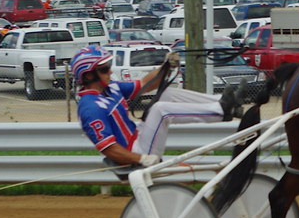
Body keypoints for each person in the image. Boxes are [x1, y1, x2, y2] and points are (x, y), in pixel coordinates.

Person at [71, 45, 246, 168]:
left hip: (139, 135)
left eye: (109, 67)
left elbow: (146, 84)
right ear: (87, 76)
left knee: (166, 94)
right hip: (135, 152)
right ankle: (222, 111)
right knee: (160, 110)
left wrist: (166, 66)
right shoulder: (90, 108)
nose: (110, 71)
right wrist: (142, 159)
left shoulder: (112, 88)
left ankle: (221, 102)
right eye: (104, 69)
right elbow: (109, 149)